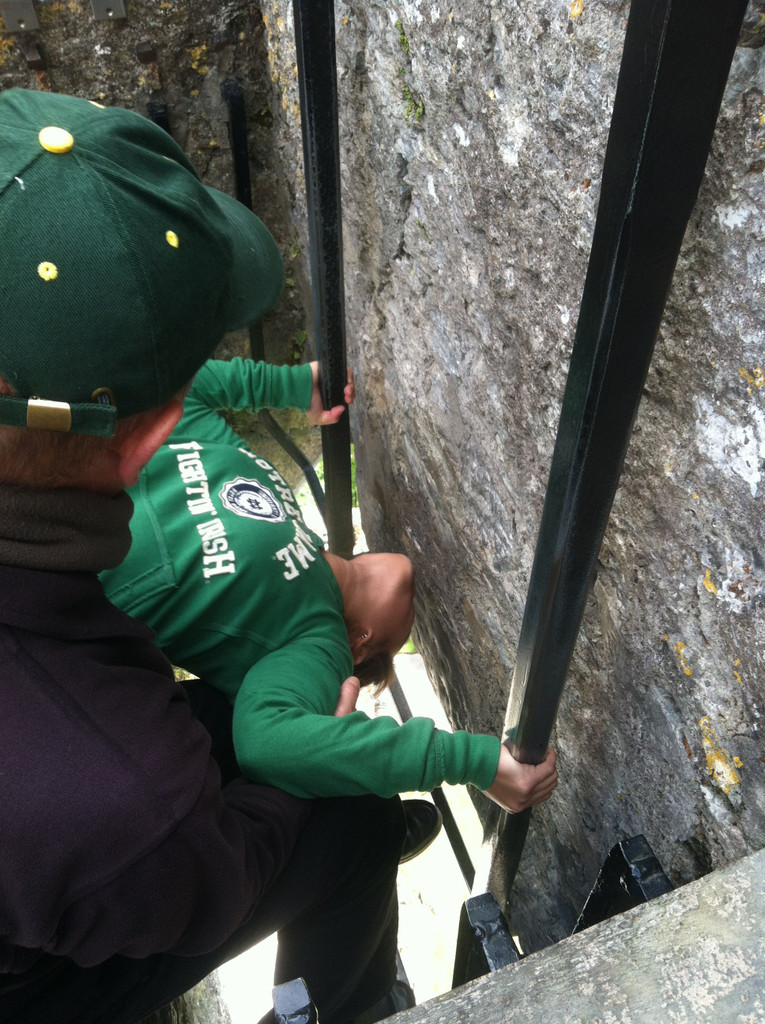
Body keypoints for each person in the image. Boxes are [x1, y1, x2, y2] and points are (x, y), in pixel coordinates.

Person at [0, 87, 556, 1024]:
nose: (395, 572)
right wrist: (419, 758)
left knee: (348, 797)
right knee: (348, 817)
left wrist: (294, 391)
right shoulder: (123, 784)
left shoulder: (290, 643)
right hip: (42, 969)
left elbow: (202, 392)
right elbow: (220, 838)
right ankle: (339, 1005)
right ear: (150, 437)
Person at [100, 355, 559, 808]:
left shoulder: (319, 643)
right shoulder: (292, 514)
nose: (418, 586)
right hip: (64, 476)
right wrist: (292, 386)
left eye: (408, 629)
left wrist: (470, 763)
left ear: (362, 642)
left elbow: (266, 745)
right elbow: (186, 387)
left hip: (62, 568)